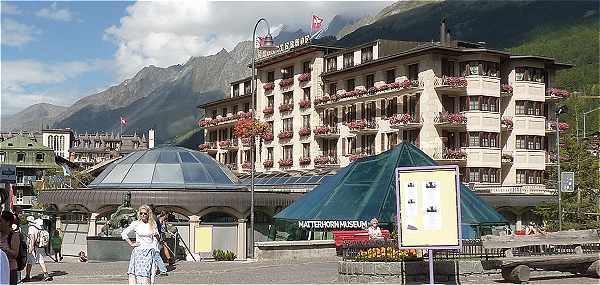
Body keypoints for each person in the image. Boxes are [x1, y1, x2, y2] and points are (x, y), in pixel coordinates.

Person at [122, 205, 159, 285]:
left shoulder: (153, 224)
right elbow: (124, 233)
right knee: (138, 274)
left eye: (145, 213)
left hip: (150, 251)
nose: (143, 215)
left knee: (147, 273)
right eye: (141, 213)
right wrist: (131, 243)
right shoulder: (136, 223)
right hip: (139, 252)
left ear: (148, 214)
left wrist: (157, 236)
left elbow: (157, 239)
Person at [22, 216, 52, 282]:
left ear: (30, 222)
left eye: (28, 222)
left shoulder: (31, 228)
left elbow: (32, 238)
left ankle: (27, 276)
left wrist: (30, 249)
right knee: (41, 260)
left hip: (33, 247)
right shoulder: (39, 228)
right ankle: (46, 274)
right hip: (39, 246)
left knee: (29, 262)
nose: (27, 223)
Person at [0, 211, 19, 285]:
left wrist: (5, 249)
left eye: (0, 221)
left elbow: (15, 254)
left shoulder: (13, 235)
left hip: (10, 270)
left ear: (7, 222)